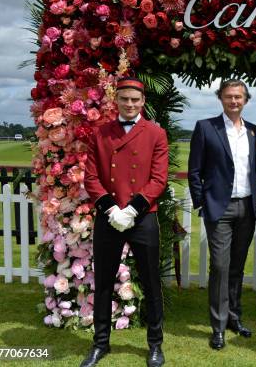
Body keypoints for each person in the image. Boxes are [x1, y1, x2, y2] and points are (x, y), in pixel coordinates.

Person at [82, 77, 168, 367]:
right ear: (116, 101)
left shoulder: (156, 133)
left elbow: (159, 179)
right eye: (124, 99)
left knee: (151, 282)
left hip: (143, 216)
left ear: (143, 102)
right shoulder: (100, 133)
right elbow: (91, 177)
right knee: (104, 281)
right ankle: (100, 343)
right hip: (109, 217)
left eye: (135, 100)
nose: (130, 104)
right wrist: (111, 209)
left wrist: (131, 210)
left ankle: (156, 345)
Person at [187, 79, 256, 350]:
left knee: (237, 267)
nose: (234, 101)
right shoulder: (206, 128)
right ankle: (217, 327)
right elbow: (194, 171)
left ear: (246, 100)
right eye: (229, 96)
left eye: (239, 97)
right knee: (220, 266)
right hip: (220, 208)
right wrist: (201, 203)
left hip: (247, 207)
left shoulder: (254, 131)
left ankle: (234, 317)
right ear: (220, 98)